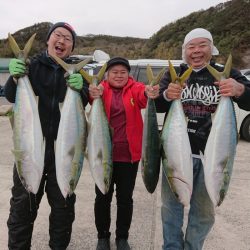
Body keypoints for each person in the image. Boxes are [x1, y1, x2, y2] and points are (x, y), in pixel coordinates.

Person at [155, 28, 250, 250]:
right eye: (191, 46)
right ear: (185, 50)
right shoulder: (173, 74)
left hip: (211, 156)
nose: (196, 51)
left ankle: (192, 247)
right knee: (171, 209)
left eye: (202, 45)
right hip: (176, 154)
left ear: (212, 48)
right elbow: (158, 104)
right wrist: (168, 94)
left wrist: (239, 90)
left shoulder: (226, 73)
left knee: (204, 213)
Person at [4, 22, 89, 250]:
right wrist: (14, 77)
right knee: (22, 210)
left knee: (63, 212)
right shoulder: (31, 67)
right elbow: (11, 97)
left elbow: (85, 101)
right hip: (30, 148)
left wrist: (81, 89)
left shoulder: (75, 72)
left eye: (67, 39)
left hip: (62, 153)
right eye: (57, 36)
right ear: (48, 41)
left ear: (71, 48)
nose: (61, 41)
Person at [89, 57, 159, 250]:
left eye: (123, 72)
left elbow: (143, 95)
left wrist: (149, 91)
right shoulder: (101, 89)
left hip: (128, 156)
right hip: (103, 155)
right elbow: (90, 96)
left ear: (128, 74)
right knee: (102, 197)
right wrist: (93, 92)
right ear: (107, 74)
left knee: (125, 199)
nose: (119, 76)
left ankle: (122, 238)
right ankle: (103, 236)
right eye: (114, 72)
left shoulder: (134, 88)